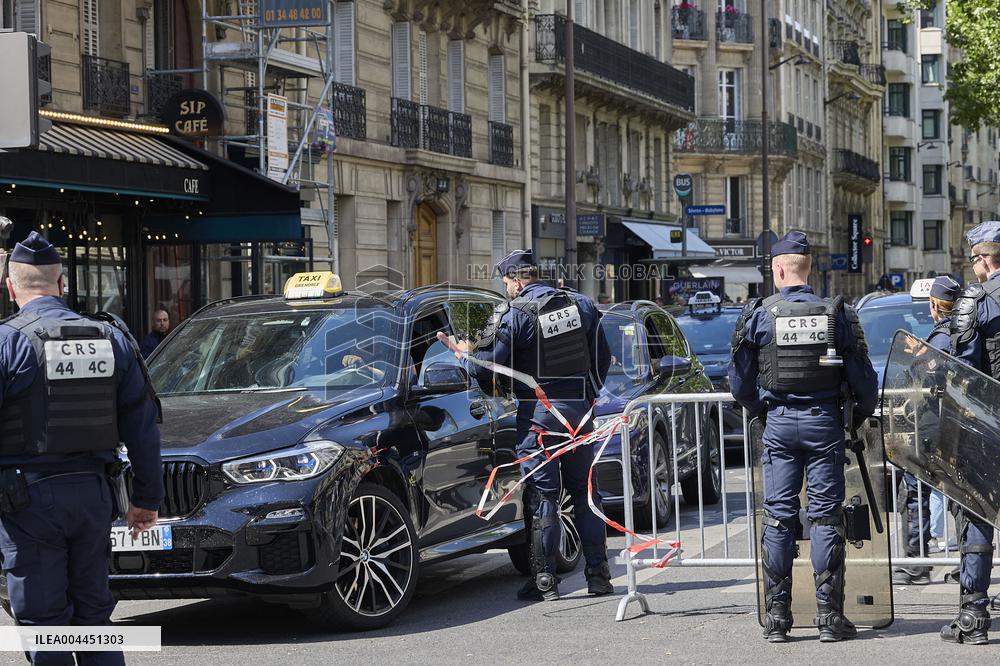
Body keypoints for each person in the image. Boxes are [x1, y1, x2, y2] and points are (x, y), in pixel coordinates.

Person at [0, 232, 164, 665]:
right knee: (94, 617)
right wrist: (146, 499)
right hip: (94, 494)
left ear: (10, 286)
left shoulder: (7, 341)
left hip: (27, 502)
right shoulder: (111, 338)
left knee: (43, 620)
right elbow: (143, 425)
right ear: (63, 284)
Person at [729, 231, 878, 643]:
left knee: (778, 517)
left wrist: (765, 410)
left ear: (778, 269)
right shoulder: (836, 313)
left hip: (779, 424)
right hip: (824, 422)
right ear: (808, 268)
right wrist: (855, 417)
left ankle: (778, 617)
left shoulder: (759, 313)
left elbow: (740, 384)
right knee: (826, 517)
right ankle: (830, 617)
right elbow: (864, 381)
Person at [442, 249, 613, 601]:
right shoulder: (581, 305)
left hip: (539, 417)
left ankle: (545, 580)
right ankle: (598, 575)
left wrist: (462, 352)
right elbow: (603, 359)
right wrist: (588, 397)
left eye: (506, 282)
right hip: (580, 414)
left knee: (543, 495)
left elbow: (486, 365)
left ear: (518, 280)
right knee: (585, 493)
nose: (506, 288)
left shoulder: (514, 312)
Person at [943, 221, 1000, 645]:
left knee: (978, 514)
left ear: (983, 258)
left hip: (988, 423)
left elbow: (958, 368)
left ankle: (974, 615)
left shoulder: (977, 300)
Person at [892, 275, 961, 586]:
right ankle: (968, 563)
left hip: (935, 425)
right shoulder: (960, 332)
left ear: (935, 306)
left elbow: (930, 376)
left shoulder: (943, 336)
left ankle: (917, 563)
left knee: (916, 489)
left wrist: (918, 357)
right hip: (953, 424)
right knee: (960, 495)